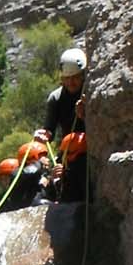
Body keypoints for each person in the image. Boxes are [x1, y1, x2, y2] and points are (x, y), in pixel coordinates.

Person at [33, 47, 88, 203]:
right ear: (62, 78)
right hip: (69, 151)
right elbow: (49, 129)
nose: (71, 82)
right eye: (67, 78)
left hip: (88, 150)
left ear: (83, 75)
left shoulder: (88, 93)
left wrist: (86, 114)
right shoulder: (56, 98)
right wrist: (44, 135)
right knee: (58, 178)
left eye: (75, 77)